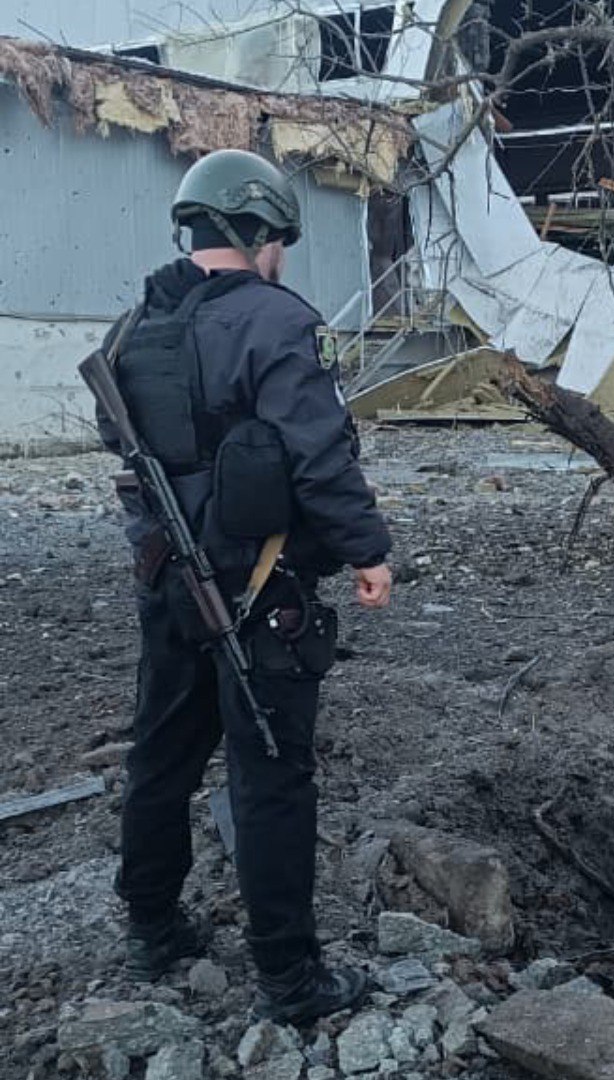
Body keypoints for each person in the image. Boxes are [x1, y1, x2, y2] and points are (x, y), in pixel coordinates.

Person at [96, 149, 392, 1024]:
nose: (281, 256)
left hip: (169, 581)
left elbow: (120, 442)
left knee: (162, 757)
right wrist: (368, 551)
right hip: (263, 589)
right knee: (271, 775)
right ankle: (291, 979)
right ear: (260, 231)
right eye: (280, 240)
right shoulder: (277, 321)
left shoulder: (135, 325)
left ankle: (151, 928)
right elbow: (319, 455)